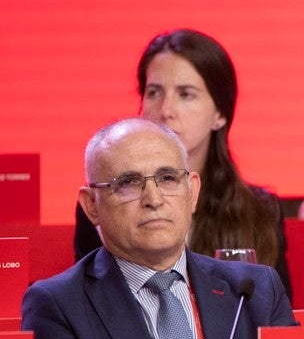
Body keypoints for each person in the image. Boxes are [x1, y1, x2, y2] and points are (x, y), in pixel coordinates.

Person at [23, 119, 297, 339]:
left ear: (192, 192)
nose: (153, 200)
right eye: (127, 183)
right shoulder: (58, 305)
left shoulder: (255, 291)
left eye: (167, 178)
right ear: (91, 205)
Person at [74, 29, 292, 297]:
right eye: (154, 92)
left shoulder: (260, 211)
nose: (166, 110)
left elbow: (276, 320)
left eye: (186, 94)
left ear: (220, 113)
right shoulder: (109, 199)